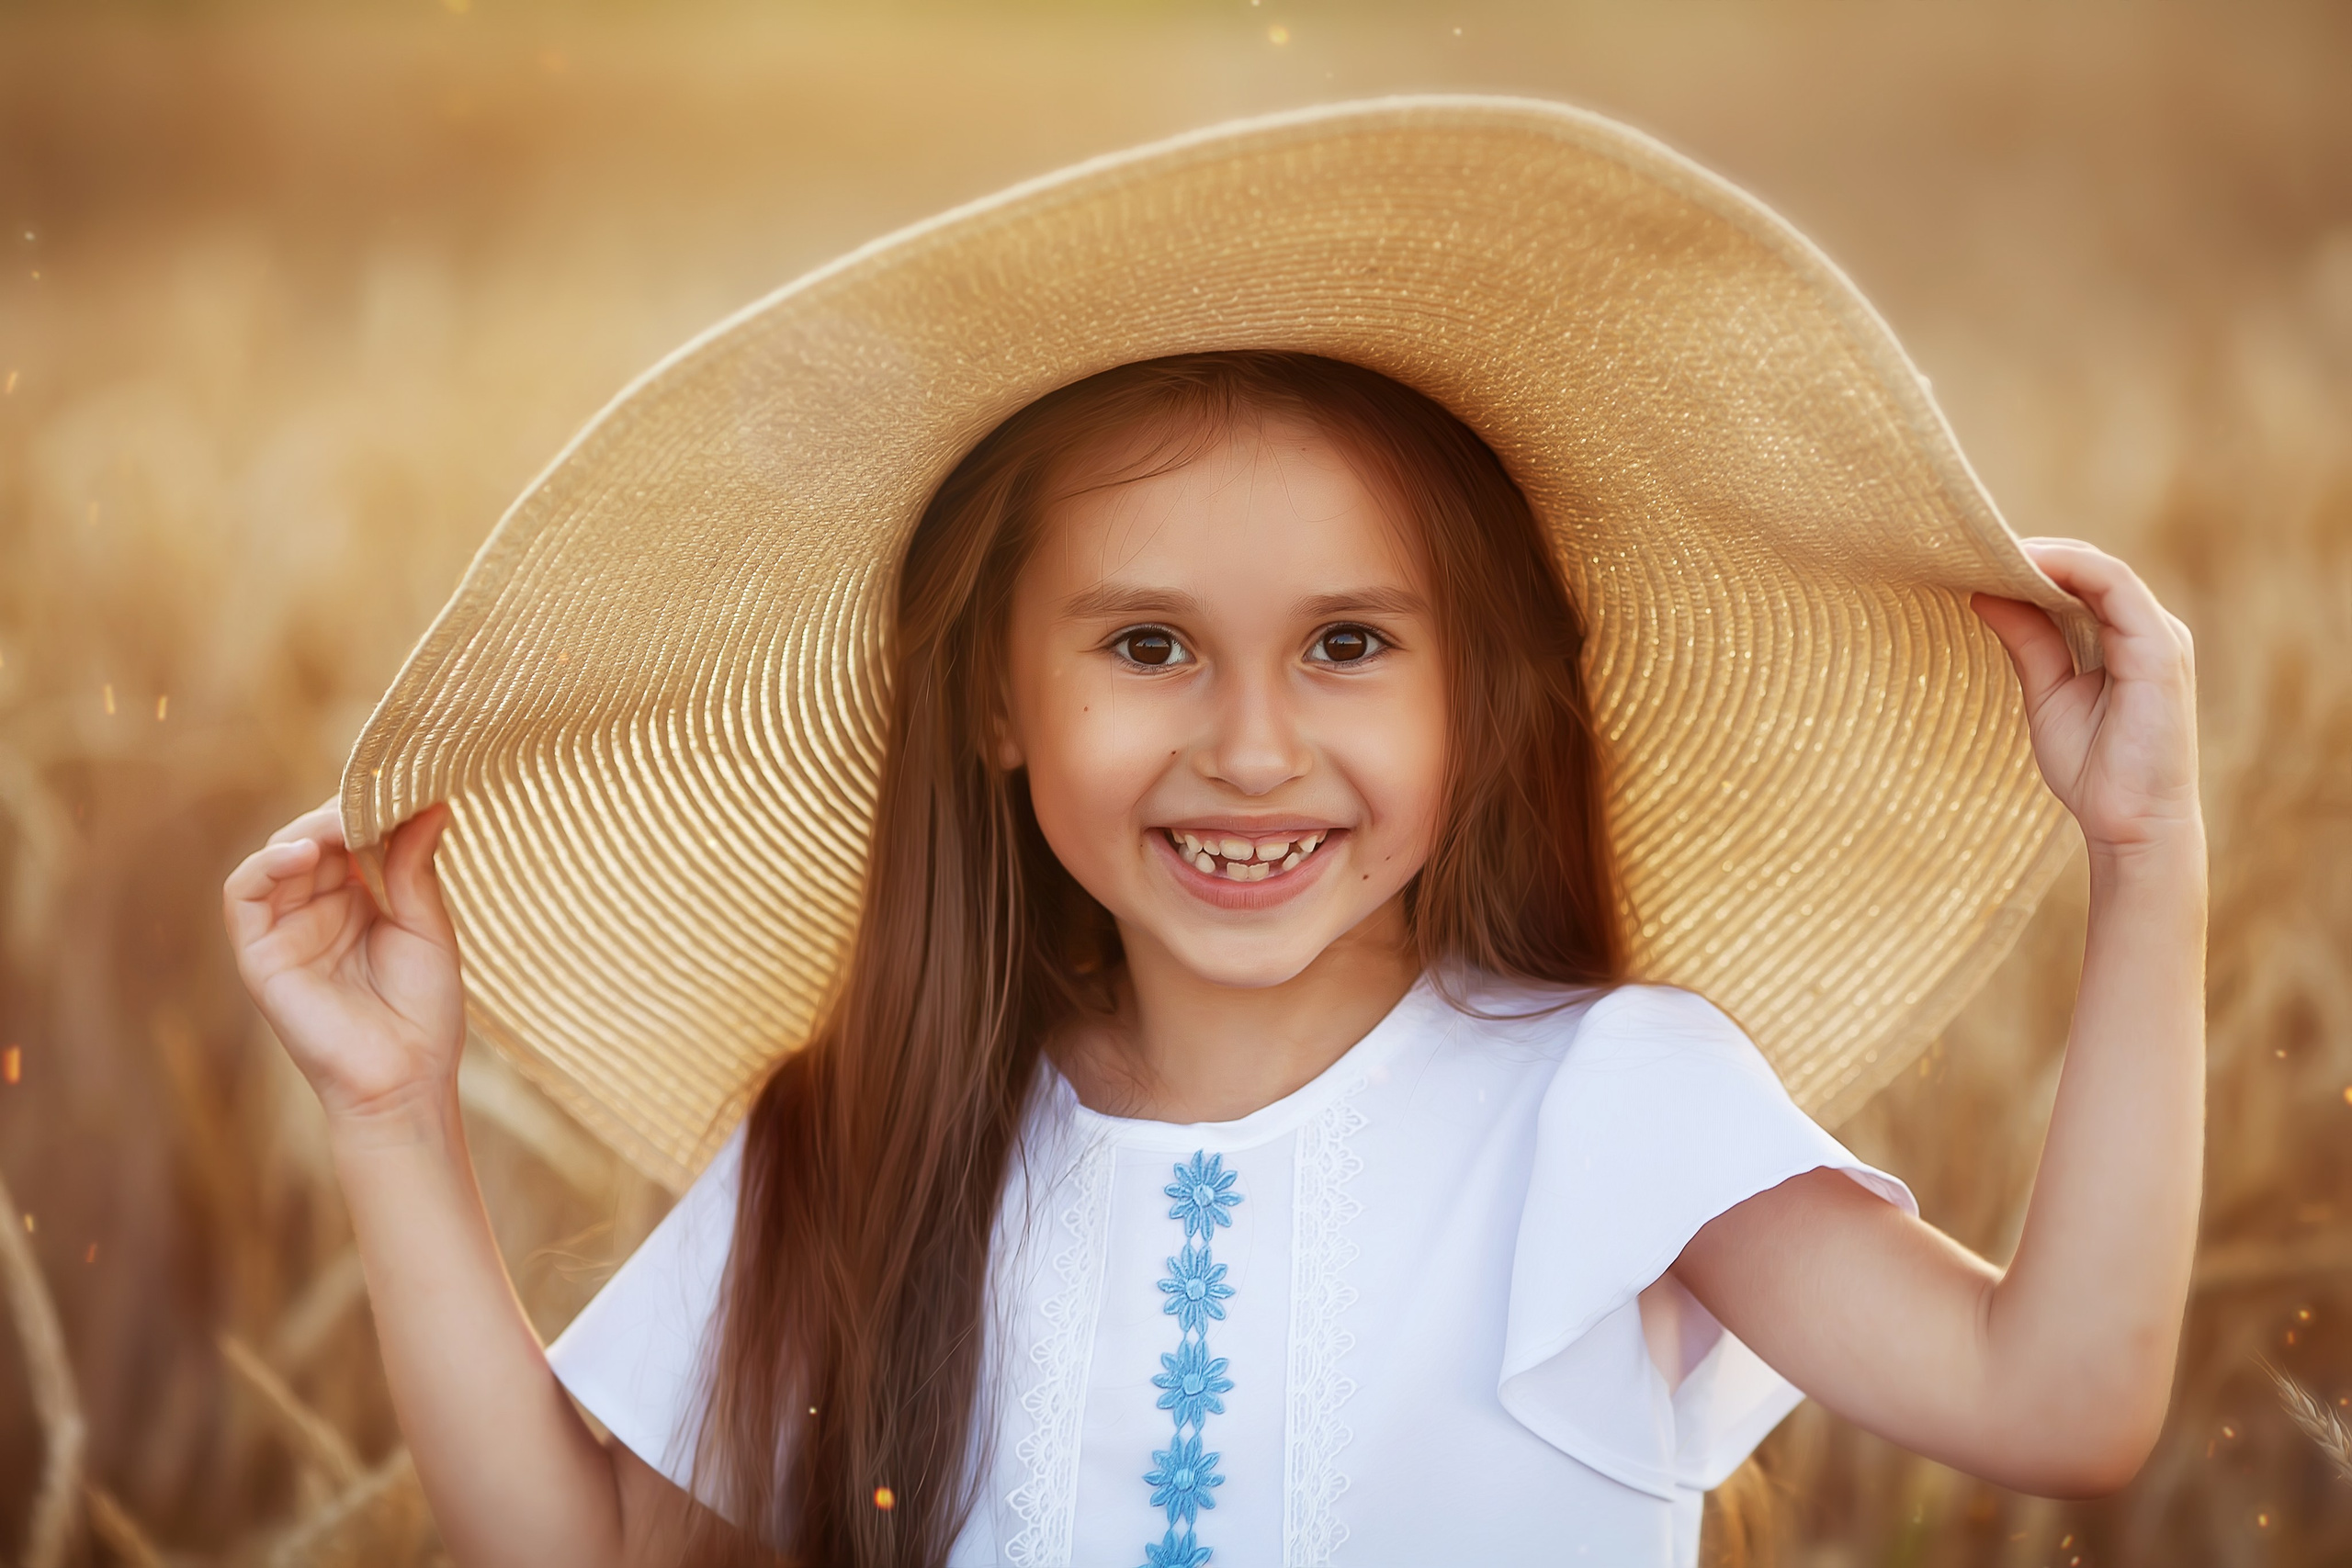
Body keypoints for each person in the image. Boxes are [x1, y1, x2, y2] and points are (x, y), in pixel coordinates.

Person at [221, 102, 2203, 1568]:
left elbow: (2058, 1398)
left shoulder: (1611, 1105)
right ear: (994, 703)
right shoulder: (864, 1149)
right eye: (1146, 644)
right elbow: (577, 1546)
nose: (1249, 747)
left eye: (1348, 643)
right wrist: (395, 1113)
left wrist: (2143, 851)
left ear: (1478, 692)